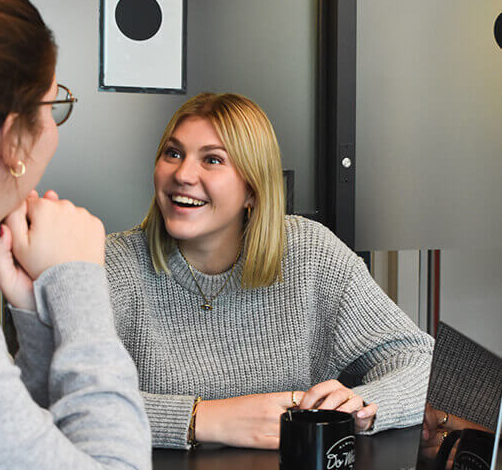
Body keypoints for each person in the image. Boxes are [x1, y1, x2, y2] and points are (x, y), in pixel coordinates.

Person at [104, 92, 435, 450]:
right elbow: (66, 401)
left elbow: (420, 362)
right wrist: (203, 418)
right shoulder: (112, 264)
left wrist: (364, 406)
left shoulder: (309, 252)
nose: (182, 174)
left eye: (212, 159)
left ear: (252, 189)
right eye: (173, 153)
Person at [0, 0, 156, 470]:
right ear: (13, 139)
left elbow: (6, 459)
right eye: (53, 105)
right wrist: (78, 283)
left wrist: (36, 321)